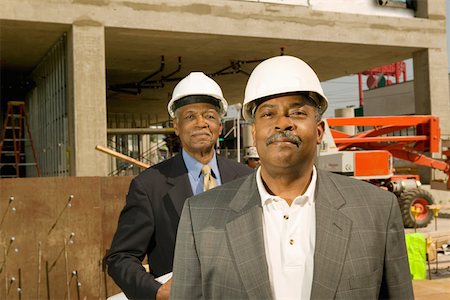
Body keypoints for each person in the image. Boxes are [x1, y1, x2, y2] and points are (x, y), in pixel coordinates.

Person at [171, 56, 413, 299]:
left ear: (319, 131)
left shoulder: (377, 210)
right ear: (254, 132)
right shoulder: (201, 216)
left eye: (297, 113)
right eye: (268, 114)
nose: (282, 123)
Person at [105, 72, 253, 300]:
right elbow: (121, 257)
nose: (201, 123)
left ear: (219, 125)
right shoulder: (149, 186)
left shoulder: (245, 178)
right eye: (190, 116)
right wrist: (156, 291)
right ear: (176, 126)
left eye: (209, 116)